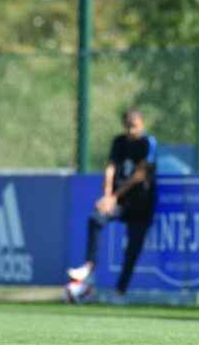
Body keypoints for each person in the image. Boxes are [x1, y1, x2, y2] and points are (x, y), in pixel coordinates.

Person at [67, 109, 157, 304]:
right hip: (120, 202)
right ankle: (89, 268)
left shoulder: (148, 143)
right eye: (128, 125)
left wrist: (114, 196)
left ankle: (120, 292)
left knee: (132, 250)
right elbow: (111, 167)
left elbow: (140, 174)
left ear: (142, 124)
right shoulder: (119, 142)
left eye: (134, 125)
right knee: (96, 218)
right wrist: (107, 195)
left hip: (141, 204)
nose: (131, 129)